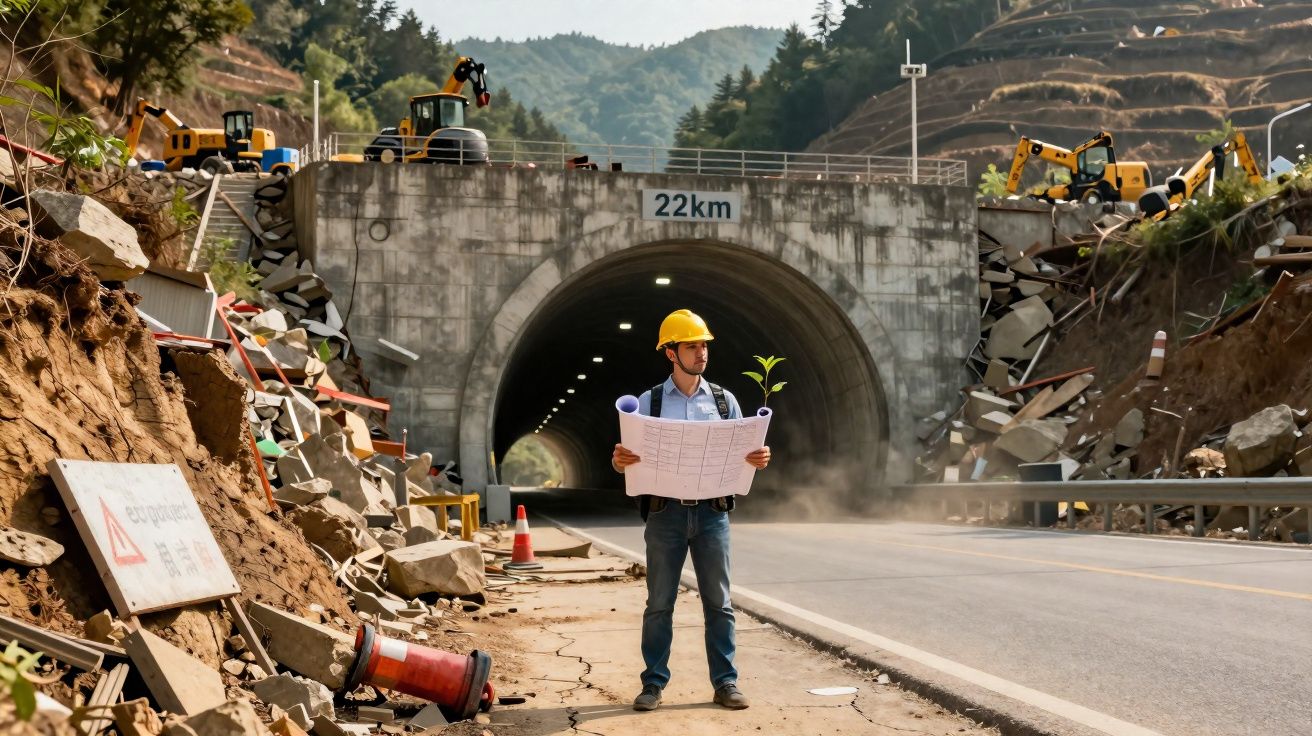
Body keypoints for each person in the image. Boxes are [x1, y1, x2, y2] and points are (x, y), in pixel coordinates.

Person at [612, 308, 771, 712]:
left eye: (703, 345)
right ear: (670, 353)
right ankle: (653, 685)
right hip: (665, 516)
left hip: (713, 515)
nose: (701, 353)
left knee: (719, 604)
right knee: (659, 603)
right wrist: (619, 461)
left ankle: (726, 683)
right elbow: (626, 459)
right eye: (691, 346)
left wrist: (758, 457)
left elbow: (743, 453)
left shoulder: (723, 400)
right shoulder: (648, 402)